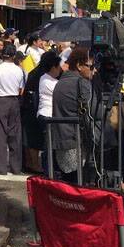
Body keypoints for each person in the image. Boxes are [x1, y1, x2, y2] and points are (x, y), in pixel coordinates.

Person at [51, 47, 97, 183]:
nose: (94, 70)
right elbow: (95, 111)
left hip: (63, 140)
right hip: (75, 142)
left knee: (69, 184)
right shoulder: (80, 83)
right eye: (90, 66)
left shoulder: (61, 82)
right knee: (78, 185)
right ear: (79, 65)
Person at [0, 44, 25, 176]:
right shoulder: (19, 70)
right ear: (14, 56)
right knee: (15, 134)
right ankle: (16, 167)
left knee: (0, 134)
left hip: (1, 100)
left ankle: (1, 168)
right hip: (14, 100)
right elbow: (21, 89)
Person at [35, 50, 62, 174]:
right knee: (49, 146)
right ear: (53, 67)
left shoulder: (47, 79)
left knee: (49, 145)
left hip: (48, 115)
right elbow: (61, 91)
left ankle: (49, 170)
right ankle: (47, 171)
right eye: (58, 66)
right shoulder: (47, 81)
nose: (60, 69)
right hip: (47, 115)